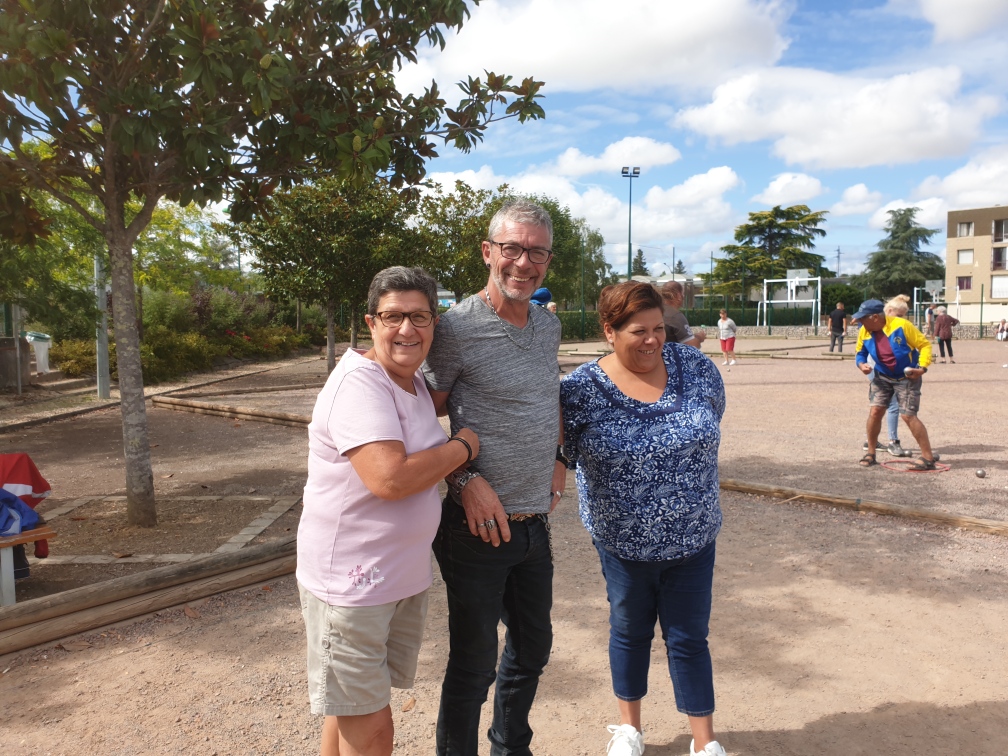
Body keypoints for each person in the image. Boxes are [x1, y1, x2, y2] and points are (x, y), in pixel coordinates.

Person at [297, 266, 481, 756]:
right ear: (371, 322)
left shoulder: (410, 381)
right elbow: (390, 479)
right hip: (351, 585)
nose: (406, 329)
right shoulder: (360, 385)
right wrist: (463, 446)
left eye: (419, 317)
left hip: (392, 578)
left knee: (349, 709)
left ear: (435, 322)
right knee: (373, 730)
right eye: (393, 316)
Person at [422, 199, 566, 756]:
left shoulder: (547, 326)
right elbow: (418, 418)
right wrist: (462, 480)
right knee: (474, 665)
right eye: (512, 248)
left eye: (537, 252)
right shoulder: (456, 328)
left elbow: (547, 397)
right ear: (488, 252)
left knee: (532, 650)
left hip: (532, 524)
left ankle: (511, 747)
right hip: (474, 530)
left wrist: (559, 457)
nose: (523, 263)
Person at [560, 281, 727, 756]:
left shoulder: (695, 367)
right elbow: (563, 454)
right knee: (630, 632)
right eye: (638, 331)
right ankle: (629, 730)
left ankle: (704, 742)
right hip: (623, 546)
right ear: (609, 331)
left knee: (690, 639)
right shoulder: (578, 391)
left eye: (658, 328)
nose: (653, 339)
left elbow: (711, 421)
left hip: (694, 538)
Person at [853, 299, 935, 471]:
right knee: (875, 411)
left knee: (908, 415)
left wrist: (922, 368)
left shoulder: (901, 326)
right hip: (882, 376)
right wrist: (861, 364)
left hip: (907, 376)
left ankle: (928, 457)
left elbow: (924, 345)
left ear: (875, 317)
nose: (859, 321)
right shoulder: (864, 331)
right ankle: (871, 453)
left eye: (863, 318)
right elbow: (860, 352)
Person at [860, 296, 912, 457]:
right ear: (889, 311)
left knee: (880, 407)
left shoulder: (895, 326)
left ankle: (871, 441)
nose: (902, 319)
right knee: (892, 404)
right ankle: (893, 442)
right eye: (900, 315)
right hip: (878, 370)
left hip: (886, 369)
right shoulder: (875, 326)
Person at [660, 280, 706, 348]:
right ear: (678, 295)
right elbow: (692, 346)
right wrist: (699, 337)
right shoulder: (675, 316)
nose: (683, 296)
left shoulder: (656, 311)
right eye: (683, 293)